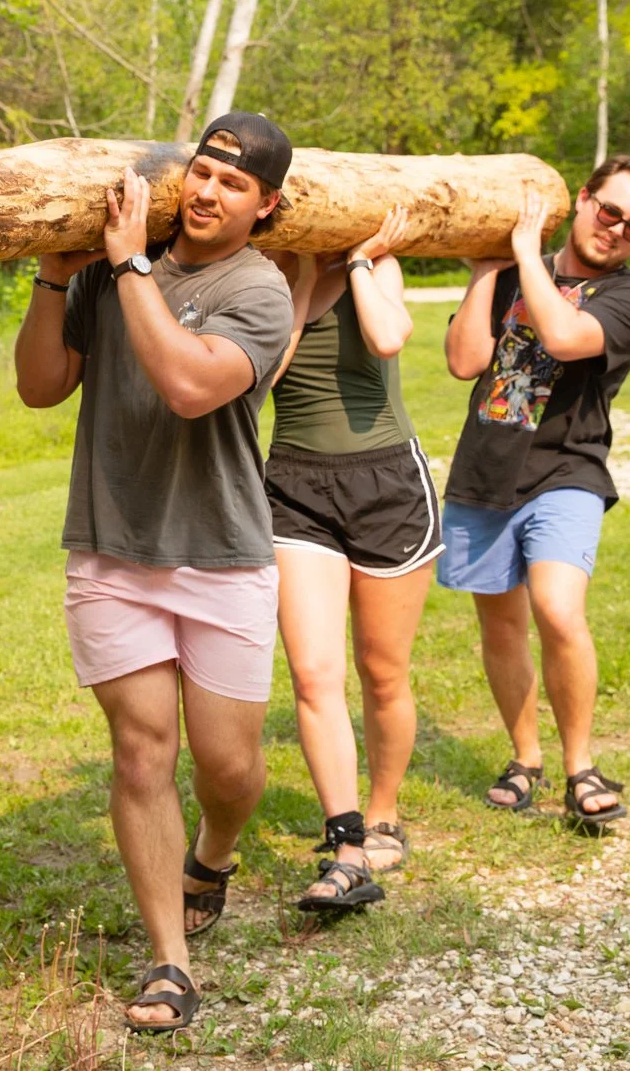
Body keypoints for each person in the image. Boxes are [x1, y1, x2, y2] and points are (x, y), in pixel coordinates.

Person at [12, 113, 296, 1033]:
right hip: (112, 545)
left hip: (222, 552)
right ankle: (171, 959)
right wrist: (55, 275)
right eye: (203, 170)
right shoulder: (106, 271)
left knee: (229, 764)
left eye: (234, 183)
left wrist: (131, 264)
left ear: (266, 205)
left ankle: (216, 846)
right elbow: (40, 386)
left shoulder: (260, 289)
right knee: (141, 752)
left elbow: (187, 385)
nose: (208, 191)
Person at [440, 154, 630, 827]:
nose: (617, 229)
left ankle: (580, 765)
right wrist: (487, 271)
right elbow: (463, 360)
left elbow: (565, 337)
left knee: (559, 611)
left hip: (568, 470)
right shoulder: (510, 269)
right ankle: (525, 758)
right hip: (485, 470)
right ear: (584, 198)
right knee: (501, 627)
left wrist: (522, 253)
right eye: (610, 210)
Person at [264, 204, 441, 914]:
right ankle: (347, 838)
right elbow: (262, 378)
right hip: (295, 487)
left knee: (382, 669)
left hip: (387, 484)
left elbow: (388, 336)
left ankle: (385, 808)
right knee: (314, 673)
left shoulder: (379, 265)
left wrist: (360, 261)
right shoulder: (267, 276)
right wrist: (303, 280)